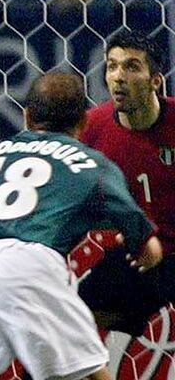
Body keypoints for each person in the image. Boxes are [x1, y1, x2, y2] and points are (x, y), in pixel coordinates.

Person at [0, 71, 163, 380]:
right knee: (88, 374)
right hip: (28, 266)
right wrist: (147, 254)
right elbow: (147, 246)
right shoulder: (93, 163)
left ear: (27, 117)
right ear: (84, 122)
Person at [77, 30, 175, 336]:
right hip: (136, 255)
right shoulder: (91, 128)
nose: (118, 76)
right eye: (112, 66)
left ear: (155, 81)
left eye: (131, 67)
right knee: (74, 327)